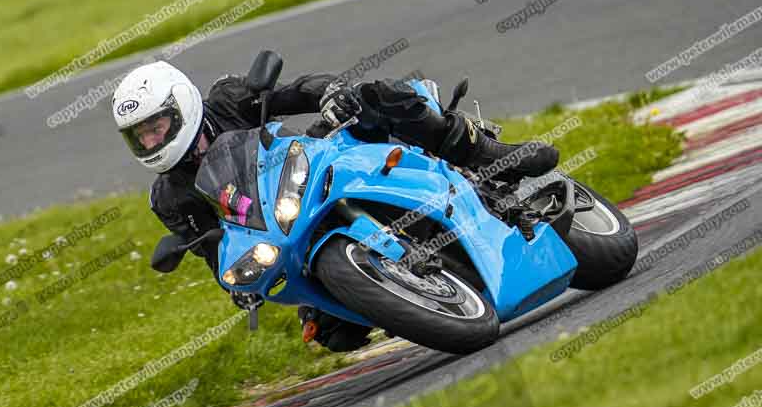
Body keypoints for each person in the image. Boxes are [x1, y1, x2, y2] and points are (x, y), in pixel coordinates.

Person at [112, 60, 559, 351]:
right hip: (286, 233)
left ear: (181, 105)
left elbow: (294, 92)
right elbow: (214, 253)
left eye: (156, 126)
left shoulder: (227, 99)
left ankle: (476, 151)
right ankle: (416, 289)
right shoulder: (169, 196)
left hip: (309, 166)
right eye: (141, 135)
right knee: (334, 334)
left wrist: (330, 94)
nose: (151, 141)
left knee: (375, 97)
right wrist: (238, 285)